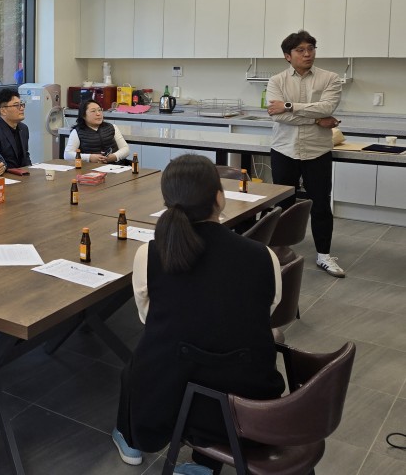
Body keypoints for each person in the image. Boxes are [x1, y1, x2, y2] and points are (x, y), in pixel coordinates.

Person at [111, 155, 284, 474]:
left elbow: (149, 318)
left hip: (169, 394)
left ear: (167, 202)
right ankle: (206, 463)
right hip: (245, 397)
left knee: (139, 361)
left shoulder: (149, 254)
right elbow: (265, 311)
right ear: (220, 198)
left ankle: (131, 436)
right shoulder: (264, 257)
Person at [267, 30, 344, 277]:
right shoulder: (276, 81)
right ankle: (279, 252)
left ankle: (324, 256)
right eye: (300, 50)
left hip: (317, 151)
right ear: (287, 56)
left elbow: (327, 107)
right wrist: (317, 119)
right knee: (283, 205)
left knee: (320, 205)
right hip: (284, 149)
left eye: (311, 48)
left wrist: (289, 106)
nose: (307, 54)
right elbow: (277, 116)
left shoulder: (330, 78)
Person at [63, 99, 130, 163]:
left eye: (99, 110)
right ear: (83, 115)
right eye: (93, 111)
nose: (98, 114)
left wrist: (114, 156)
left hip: (116, 166)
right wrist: (89, 158)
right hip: (91, 168)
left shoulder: (112, 127)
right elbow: (67, 155)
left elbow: (125, 149)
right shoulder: (77, 132)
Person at [0, 88, 32, 169]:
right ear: (3, 111)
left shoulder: (24, 128)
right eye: (16, 105)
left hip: (23, 174)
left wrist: (31, 171)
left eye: (21, 104)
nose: (22, 108)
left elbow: (25, 156)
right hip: (5, 175)